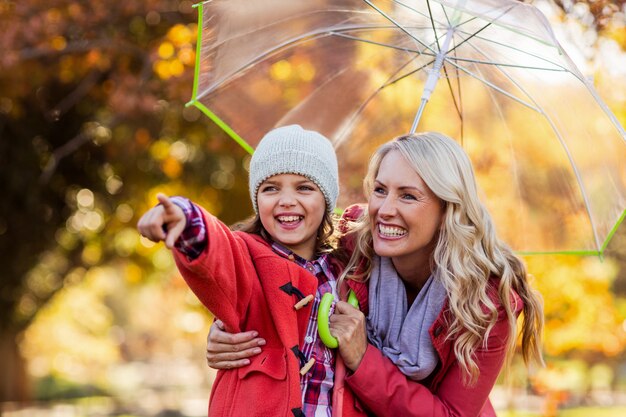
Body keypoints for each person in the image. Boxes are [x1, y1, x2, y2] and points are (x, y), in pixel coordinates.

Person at [205, 132, 544, 417]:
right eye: (381, 190)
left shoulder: (486, 301)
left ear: (446, 209)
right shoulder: (353, 242)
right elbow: (285, 274)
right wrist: (232, 326)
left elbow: (451, 414)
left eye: (408, 196)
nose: (384, 210)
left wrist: (363, 358)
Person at [137, 125, 370, 417]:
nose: (286, 200)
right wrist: (184, 217)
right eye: (270, 188)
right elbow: (218, 252)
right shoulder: (248, 259)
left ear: (326, 200)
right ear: (256, 199)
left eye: (304, 187)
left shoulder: (346, 271)